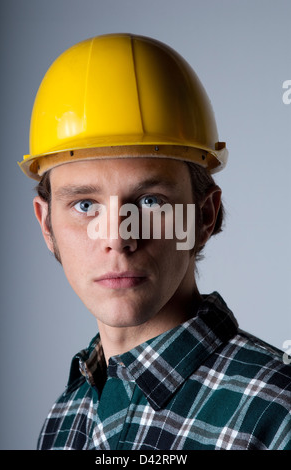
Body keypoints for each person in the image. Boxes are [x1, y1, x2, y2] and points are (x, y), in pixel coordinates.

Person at [19, 33, 291, 451]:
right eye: (85, 205)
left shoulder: (278, 416)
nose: (117, 238)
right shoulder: (64, 415)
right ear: (46, 224)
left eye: (149, 201)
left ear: (204, 216)